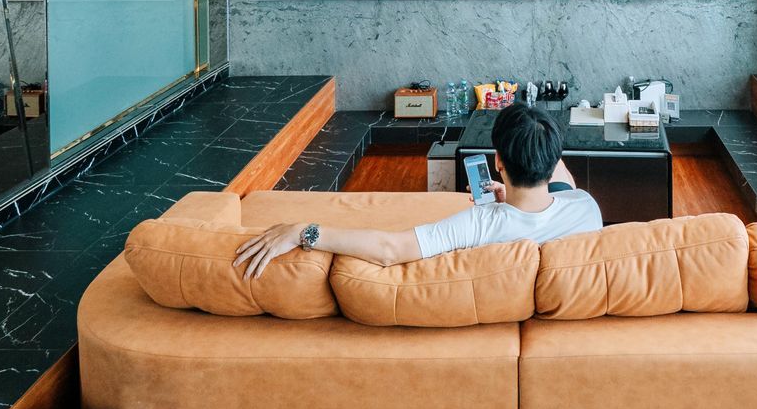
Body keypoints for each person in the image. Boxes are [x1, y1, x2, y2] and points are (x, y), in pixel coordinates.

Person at [233, 103, 603, 279]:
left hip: (507, 199)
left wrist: (303, 231)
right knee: (561, 187)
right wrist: (517, 200)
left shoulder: (478, 224)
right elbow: (562, 185)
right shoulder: (586, 208)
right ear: (553, 158)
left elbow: (390, 250)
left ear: (498, 163)